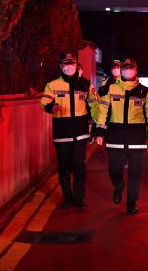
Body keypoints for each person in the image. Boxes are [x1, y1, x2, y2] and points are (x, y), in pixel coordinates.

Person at [95, 57, 148, 214]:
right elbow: (103, 111)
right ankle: (118, 186)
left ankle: (131, 202)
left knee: (135, 173)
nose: (127, 70)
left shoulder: (144, 91)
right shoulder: (111, 89)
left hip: (136, 138)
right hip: (115, 137)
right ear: (121, 70)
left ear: (135, 70)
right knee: (114, 169)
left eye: (131, 68)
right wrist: (100, 132)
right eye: (125, 68)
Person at [40, 51, 98, 211]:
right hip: (61, 134)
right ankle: (67, 199)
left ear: (76, 65)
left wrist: (98, 125)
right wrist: (51, 107)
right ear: (60, 66)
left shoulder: (86, 85)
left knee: (79, 166)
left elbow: (95, 106)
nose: (69, 66)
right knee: (63, 167)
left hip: (80, 134)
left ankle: (79, 199)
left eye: (72, 63)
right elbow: (44, 102)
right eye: (65, 64)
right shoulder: (52, 85)